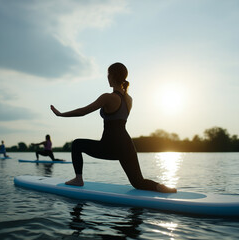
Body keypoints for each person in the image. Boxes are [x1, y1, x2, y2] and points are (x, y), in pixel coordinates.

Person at [50, 62, 176, 193]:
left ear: (112, 76)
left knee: (77, 144)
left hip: (109, 146)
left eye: (108, 75)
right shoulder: (129, 99)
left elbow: (83, 111)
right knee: (138, 182)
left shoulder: (108, 97)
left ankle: (78, 179)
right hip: (127, 145)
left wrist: (60, 114)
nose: (107, 78)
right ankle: (160, 187)